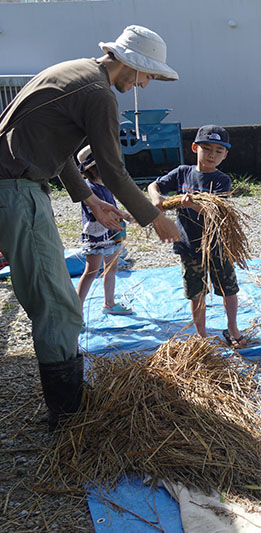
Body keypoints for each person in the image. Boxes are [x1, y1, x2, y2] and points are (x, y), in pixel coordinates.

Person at [0, 25, 181, 430]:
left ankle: (66, 404)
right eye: (147, 75)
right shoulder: (99, 94)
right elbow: (114, 170)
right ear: (129, 63)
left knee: (45, 296)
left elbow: (57, 150)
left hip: (12, 185)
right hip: (17, 191)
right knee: (59, 305)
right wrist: (155, 218)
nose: (145, 85)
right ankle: (68, 418)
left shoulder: (73, 72)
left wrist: (89, 199)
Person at [148, 125, 247, 349]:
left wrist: (191, 204)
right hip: (188, 246)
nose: (212, 155)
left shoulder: (222, 180)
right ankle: (201, 336)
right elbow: (154, 184)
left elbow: (217, 213)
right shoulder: (183, 172)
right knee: (196, 292)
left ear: (225, 155)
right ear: (195, 148)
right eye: (206, 148)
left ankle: (232, 328)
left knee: (228, 288)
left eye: (218, 151)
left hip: (218, 245)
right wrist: (157, 198)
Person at [75, 145, 132, 317]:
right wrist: (124, 215)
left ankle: (109, 303)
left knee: (111, 267)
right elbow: (101, 211)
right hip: (96, 235)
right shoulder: (89, 189)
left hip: (111, 234)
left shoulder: (104, 185)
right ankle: (76, 312)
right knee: (91, 271)